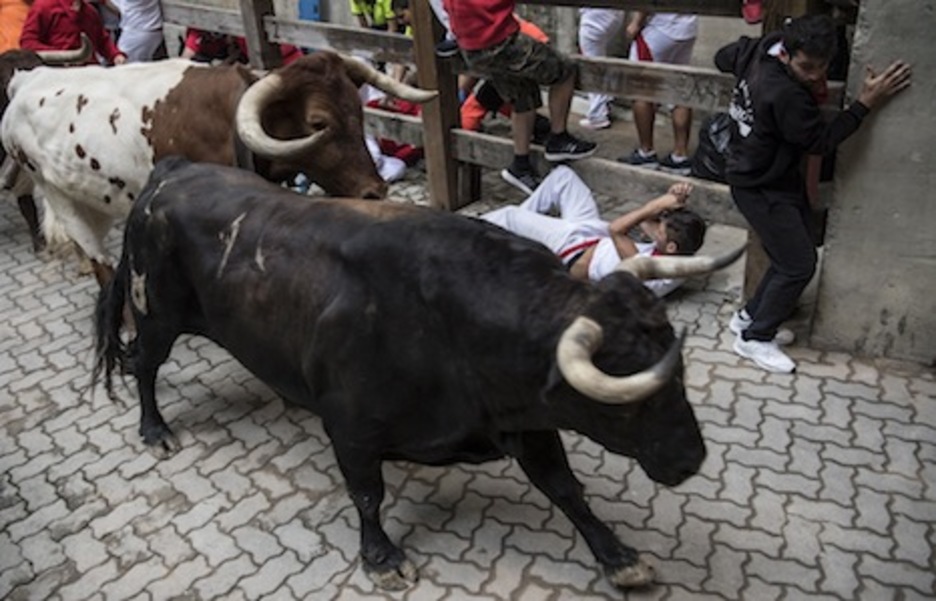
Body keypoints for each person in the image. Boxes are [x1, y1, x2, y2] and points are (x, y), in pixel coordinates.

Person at [716, 14, 911, 373]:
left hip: (758, 174)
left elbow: (722, 57)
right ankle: (755, 338)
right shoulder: (786, 94)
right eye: (807, 67)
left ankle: (748, 318)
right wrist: (865, 102)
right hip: (759, 184)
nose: (816, 76)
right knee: (799, 264)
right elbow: (821, 141)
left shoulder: (762, 48)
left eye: (823, 67)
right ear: (787, 55)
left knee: (787, 256)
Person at [443, 0, 597, 196]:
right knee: (565, 70)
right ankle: (559, 137)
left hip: (472, 45)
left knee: (523, 94)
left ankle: (520, 163)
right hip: (498, 39)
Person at [480, 165, 705, 297]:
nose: (658, 229)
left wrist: (655, 205)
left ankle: (462, 230)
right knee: (563, 176)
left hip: (570, 249)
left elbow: (617, 229)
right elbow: (648, 224)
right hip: (591, 235)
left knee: (509, 215)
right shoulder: (679, 252)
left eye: (662, 231)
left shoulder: (653, 274)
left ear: (671, 247)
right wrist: (672, 201)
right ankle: (516, 234)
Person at [618, 12, 697, 175]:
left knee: (641, 86)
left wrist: (637, 22)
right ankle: (680, 155)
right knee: (680, 88)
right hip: (688, 27)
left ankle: (646, 152)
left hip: (661, 27)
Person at [20, 0, 127, 65]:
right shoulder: (43, 6)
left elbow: (102, 40)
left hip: (89, 73)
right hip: (55, 74)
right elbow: (28, 42)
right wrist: (60, 55)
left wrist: (116, 55)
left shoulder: (90, 12)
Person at [577, 7, 625, 130]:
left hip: (595, 15)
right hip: (614, 12)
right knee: (599, 60)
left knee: (592, 66)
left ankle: (598, 115)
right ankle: (606, 101)